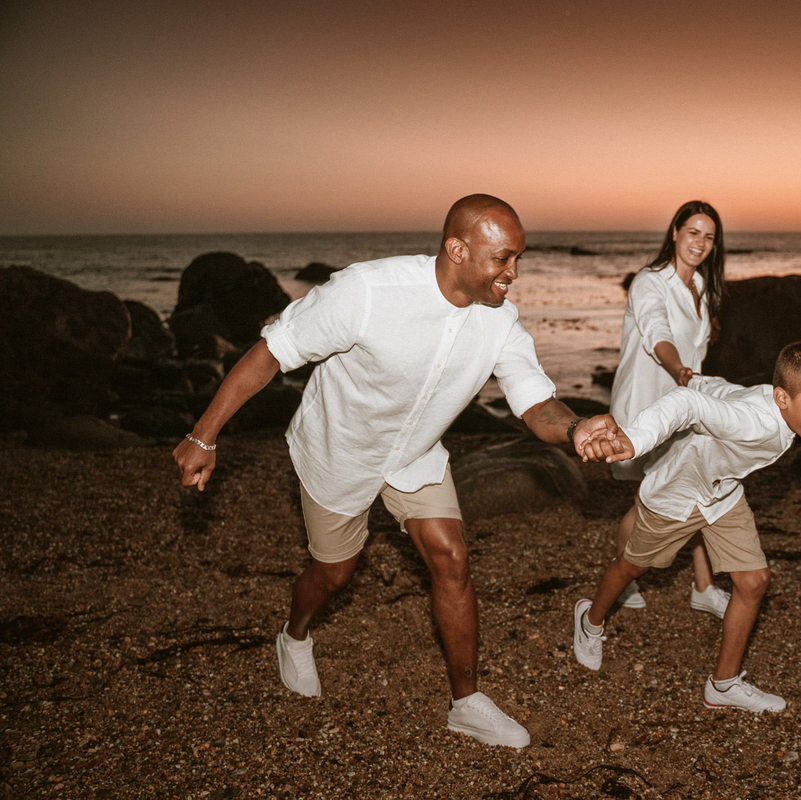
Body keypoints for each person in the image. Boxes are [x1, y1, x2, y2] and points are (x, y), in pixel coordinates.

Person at [173, 194, 619, 749]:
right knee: (334, 573)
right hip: (340, 450)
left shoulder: (500, 321)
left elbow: (535, 402)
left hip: (416, 452)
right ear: (457, 250)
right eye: (503, 259)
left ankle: (467, 702)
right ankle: (294, 635)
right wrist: (203, 434)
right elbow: (271, 352)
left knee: (451, 558)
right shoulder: (367, 293)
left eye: (518, 259)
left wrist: (577, 430)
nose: (514, 274)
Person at [573, 340, 801, 712]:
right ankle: (590, 620)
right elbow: (687, 405)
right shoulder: (755, 421)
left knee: (754, 581)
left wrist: (695, 378)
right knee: (631, 567)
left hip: (721, 494)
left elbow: (720, 391)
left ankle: (723, 685)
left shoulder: (770, 400)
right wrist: (635, 438)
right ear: (783, 398)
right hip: (677, 496)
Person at [607, 200, 730, 618]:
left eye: (709, 237)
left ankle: (702, 586)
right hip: (649, 404)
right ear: (675, 231)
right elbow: (657, 332)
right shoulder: (648, 282)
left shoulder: (703, 287)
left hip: (688, 405)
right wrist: (679, 370)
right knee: (651, 499)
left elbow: (699, 347)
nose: (700, 243)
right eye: (693, 232)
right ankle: (622, 581)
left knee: (696, 490)